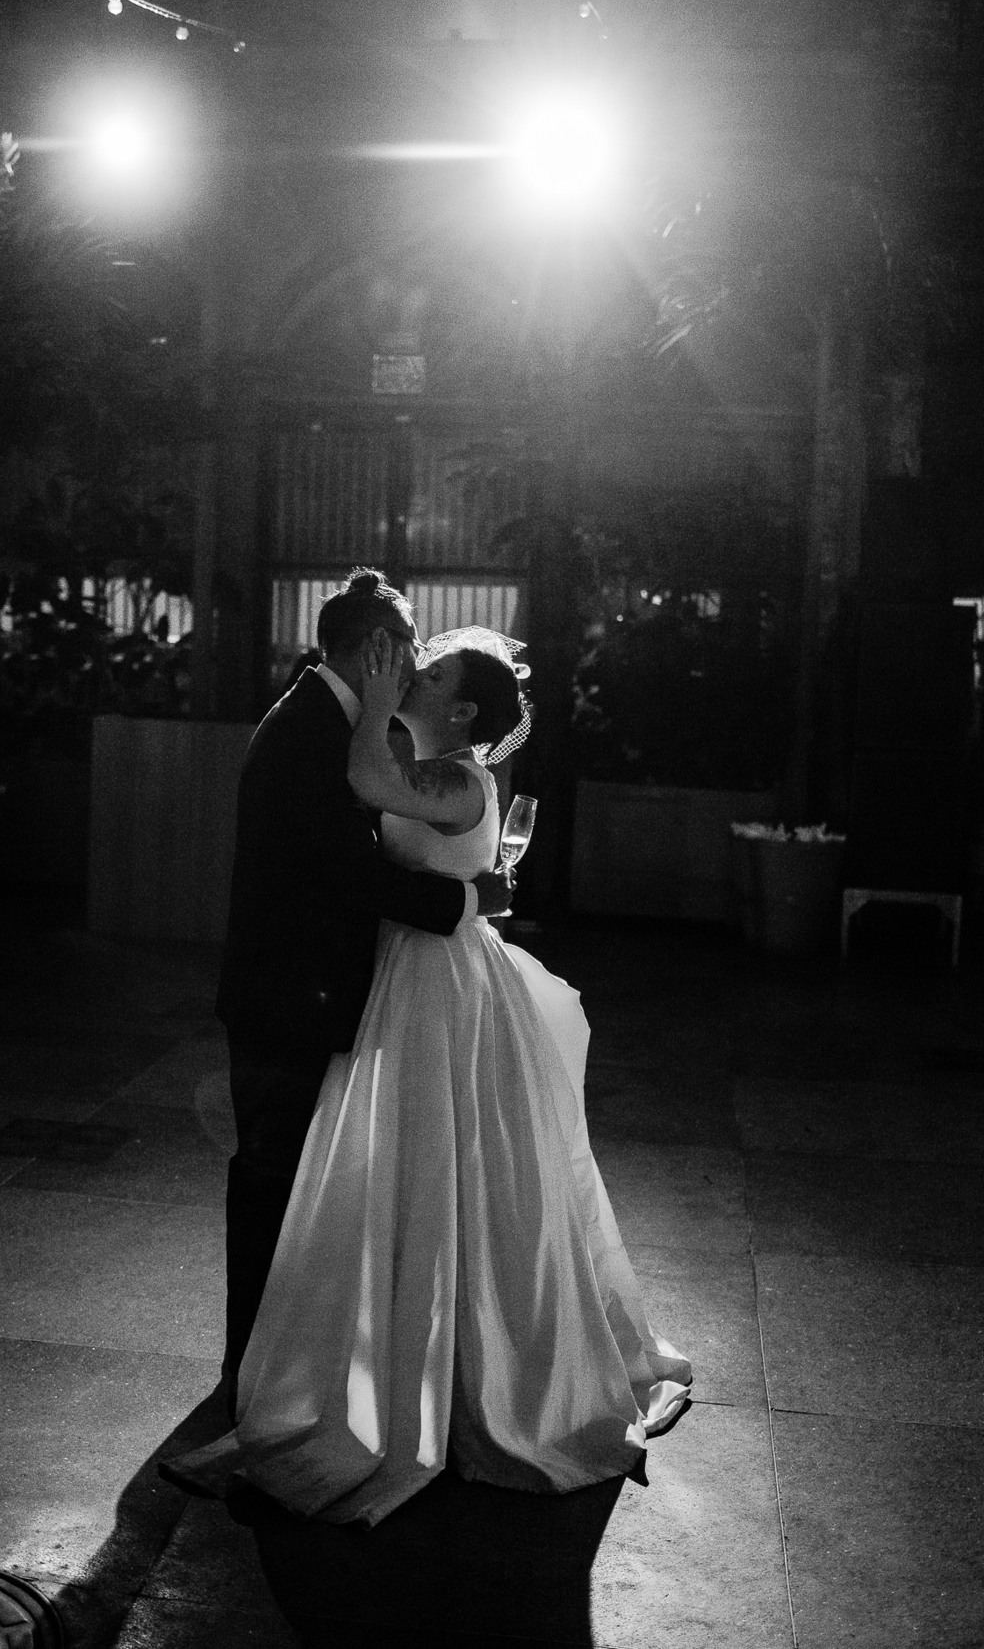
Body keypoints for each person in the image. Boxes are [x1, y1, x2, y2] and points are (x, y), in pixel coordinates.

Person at [160, 622, 691, 1526]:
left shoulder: (449, 776)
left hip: (432, 984)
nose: (414, 672)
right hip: (405, 973)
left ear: (465, 709)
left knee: (435, 1164)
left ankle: (440, 1365)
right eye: (408, 656)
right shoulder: (427, 763)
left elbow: (370, 786)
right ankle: (392, 1348)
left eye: (430, 670)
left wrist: (368, 695)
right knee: (405, 1168)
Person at [208, 570, 514, 1415]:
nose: (418, 662)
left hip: (338, 988)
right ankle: (251, 1370)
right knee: (274, 1179)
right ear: (377, 647)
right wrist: (465, 899)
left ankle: (293, 1357)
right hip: (288, 994)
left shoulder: (343, 726)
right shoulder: (311, 730)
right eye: (410, 645)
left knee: (337, 1182)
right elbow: (349, 872)